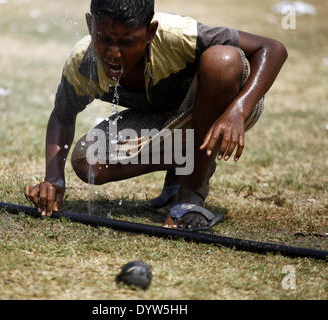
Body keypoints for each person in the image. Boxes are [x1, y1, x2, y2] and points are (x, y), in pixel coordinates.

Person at [24, 0, 287, 230]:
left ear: (150, 32)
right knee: (88, 161)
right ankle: (186, 162)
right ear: (91, 25)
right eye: (103, 39)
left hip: (226, 111)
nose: (113, 54)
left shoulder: (178, 36)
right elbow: (62, 115)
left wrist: (239, 110)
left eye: (127, 42)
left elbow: (273, 49)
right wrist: (53, 179)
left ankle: (191, 194)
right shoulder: (83, 62)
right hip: (168, 122)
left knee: (222, 61)